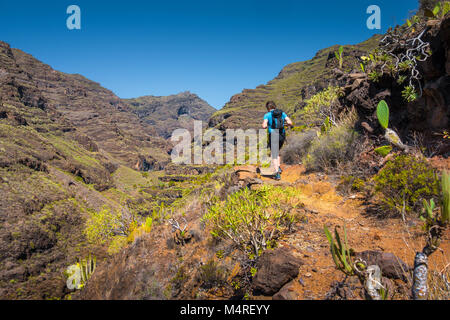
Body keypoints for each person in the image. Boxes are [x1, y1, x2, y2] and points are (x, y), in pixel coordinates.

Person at [262, 101, 293, 180]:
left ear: (268, 108)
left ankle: (277, 173)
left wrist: (266, 125)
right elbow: (290, 122)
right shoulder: (282, 113)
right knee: (277, 152)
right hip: (282, 135)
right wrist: (286, 124)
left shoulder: (267, 115)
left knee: (274, 154)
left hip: (273, 135)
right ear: (274, 106)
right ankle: (278, 167)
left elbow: (264, 125)